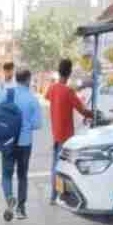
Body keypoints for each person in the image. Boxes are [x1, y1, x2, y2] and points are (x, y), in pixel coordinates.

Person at [45, 58, 94, 206]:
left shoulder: (52, 88)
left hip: (56, 133)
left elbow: (48, 97)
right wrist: (92, 114)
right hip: (66, 136)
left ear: (59, 70)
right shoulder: (68, 91)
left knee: (55, 164)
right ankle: (60, 195)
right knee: (65, 166)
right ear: (70, 72)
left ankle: (54, 196)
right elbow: (82, 110)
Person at [0, 68, 42, 221]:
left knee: (6, 174)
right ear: (28, 80)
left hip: (8, 141)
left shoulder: (5, 94)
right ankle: (21, 210)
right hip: (24, 142)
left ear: (16, 79)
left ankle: (9, 198)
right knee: (22, 175)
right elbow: (37, 124)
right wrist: (26, 124)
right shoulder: (32, 99)